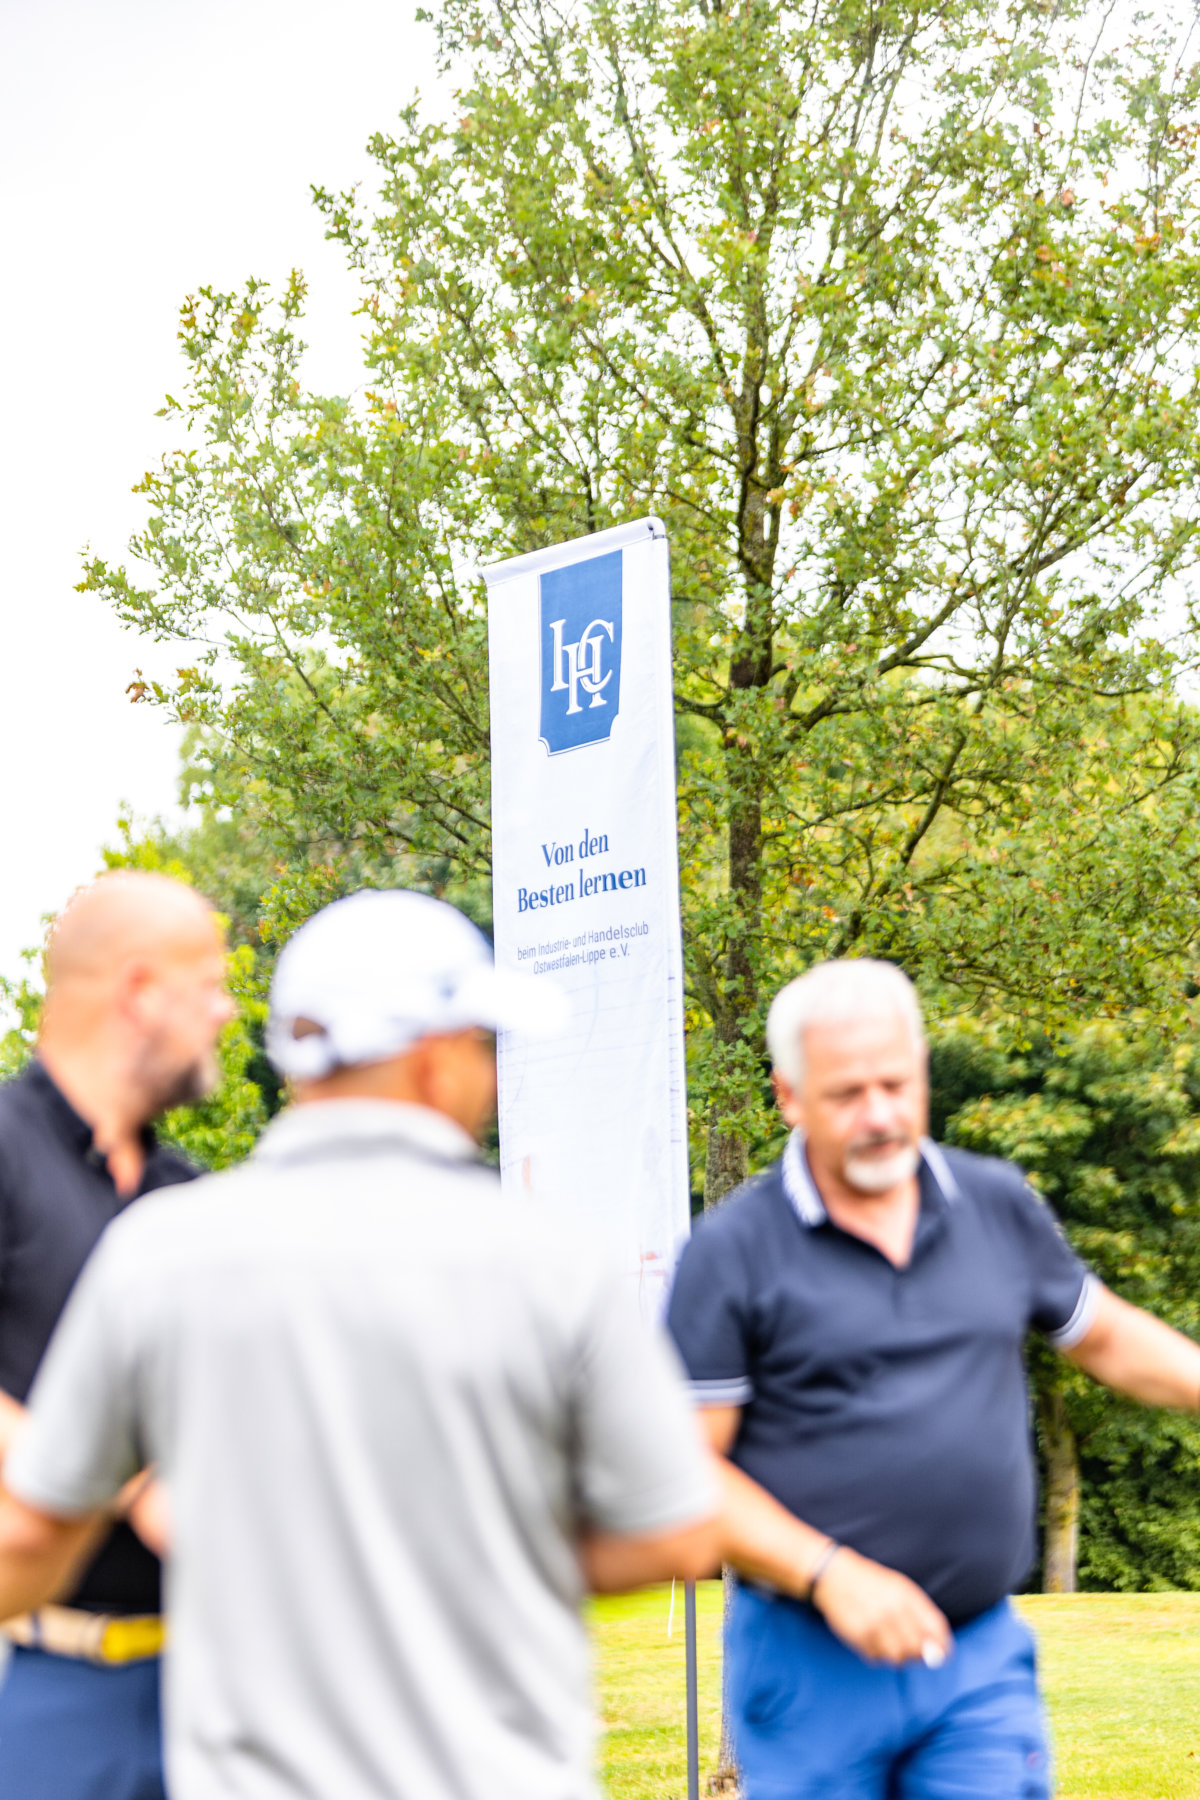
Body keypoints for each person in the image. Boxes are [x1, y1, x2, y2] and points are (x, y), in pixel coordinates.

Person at [0, 887, 718, 1800]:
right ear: (436, 1063)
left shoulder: (164, 1242)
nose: (491, 1078)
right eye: (482, 1048)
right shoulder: (554, 1263)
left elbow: (37, 1526)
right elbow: (677, 1529)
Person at [667, 957, 1200, 1800]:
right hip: (809, 1666)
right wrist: (828, 1572)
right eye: (848, 1094)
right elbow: (689, 1474)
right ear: (789, 1096)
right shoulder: (730, 1253)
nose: (880, 1115)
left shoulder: (996, 1203)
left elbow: (1103, 1335)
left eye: (896, 1083)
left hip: (974, 1656)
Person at [0, 869, 234, 1800]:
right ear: (139, 992)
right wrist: (125, 1477)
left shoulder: (190, 1198)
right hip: (60, 1690)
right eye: (208, 986)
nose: (225, 1013)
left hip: (223, 1689)